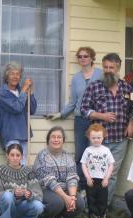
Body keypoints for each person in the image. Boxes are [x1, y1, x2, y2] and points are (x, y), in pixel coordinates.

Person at [81, 52, 133, 206]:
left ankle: (104, 208)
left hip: (119, 139)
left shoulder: (126, 87)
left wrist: (131, 123)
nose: (108, 70)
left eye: (111, 67)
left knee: (111, 175)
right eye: (105, 67)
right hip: (99, 141)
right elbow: (84, 109)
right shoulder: (94, 86)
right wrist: (101, 115)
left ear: (118, 68)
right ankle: (90, 208)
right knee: (94, 174)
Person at [46, 46, 102, 189]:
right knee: (81, 154)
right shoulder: (76, 78)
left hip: (97, 119)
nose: (83, 59)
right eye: (80, 56)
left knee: (97, 153)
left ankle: (96, 189)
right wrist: (60, 114)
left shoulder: (100, 75)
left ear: (92, 58)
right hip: (80, 119)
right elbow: (73, 102)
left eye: (86, 56)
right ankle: (80, 188)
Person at [33, 126, 86, 218]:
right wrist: (66, 198)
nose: (56, 139)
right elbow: (49, 180)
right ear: (48, 140)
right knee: (58, 202)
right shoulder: (43, 155)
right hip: (45, 189)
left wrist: (72, 197)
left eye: (59, 137)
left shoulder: (68, 157)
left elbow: (72, 177)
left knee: (80, 203)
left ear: (63, 140)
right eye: (53, 137)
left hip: (64, 189)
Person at [0, 143, 44, 218]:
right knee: (7, 196)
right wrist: (13, 194)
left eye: (18, 155)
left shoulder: (29, 171)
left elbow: (39, 195)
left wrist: (29, 194)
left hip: (23, 206)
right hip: (4, 206)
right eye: (12, 155)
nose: (15, 158)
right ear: (7, 156)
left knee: (39, 206)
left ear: (21, 157)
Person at [0, 61, 37, 165]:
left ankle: (22, 182)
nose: (15, 77)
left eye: (18, 74)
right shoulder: (3, 93)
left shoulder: (21, 90)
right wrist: (24, 90)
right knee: (14, 164)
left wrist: (31, 93)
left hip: (24, 134)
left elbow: (32, 110)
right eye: (12, 74)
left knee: (23, 165)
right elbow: (17, 107)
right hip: (11, 135)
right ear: (7, 76)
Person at [81, 123, 115, 218]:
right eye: (93, 138)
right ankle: (93, 216)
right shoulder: (88, 150)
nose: (96, 140)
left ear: (103, 137)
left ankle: (102, 215)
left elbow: (111, 164)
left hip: (102, 180)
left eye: (98, 137)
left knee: (102, 198)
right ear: (89, 137)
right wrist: (87, 177)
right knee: (91, 198)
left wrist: (106, 178)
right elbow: (83, 164)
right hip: (91, 180)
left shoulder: (106, 150)